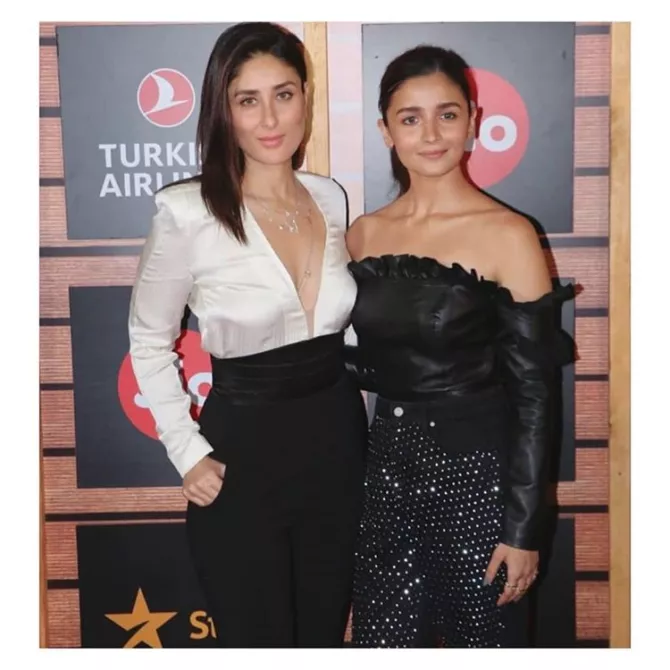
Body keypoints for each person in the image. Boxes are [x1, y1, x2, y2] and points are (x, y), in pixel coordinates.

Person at [128, 22, 368, 648]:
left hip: (338, 445)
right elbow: (149, 339)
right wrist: (186, 450)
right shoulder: (188, 212)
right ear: (223, 110)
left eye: (283, 94)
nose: (269, 118)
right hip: (243, 458)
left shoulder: (330, 198)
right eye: (247, 100)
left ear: (305, 97)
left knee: (321, 637)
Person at [344, 45, 575, 648]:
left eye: (447, 115)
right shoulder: (363, 235)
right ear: (385, 130)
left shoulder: (509, 234)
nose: (431, 134)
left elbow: (536, 395)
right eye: (410, 118)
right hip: (386, 480)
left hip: (479, 483)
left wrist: (522, 529)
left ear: (473, 122)